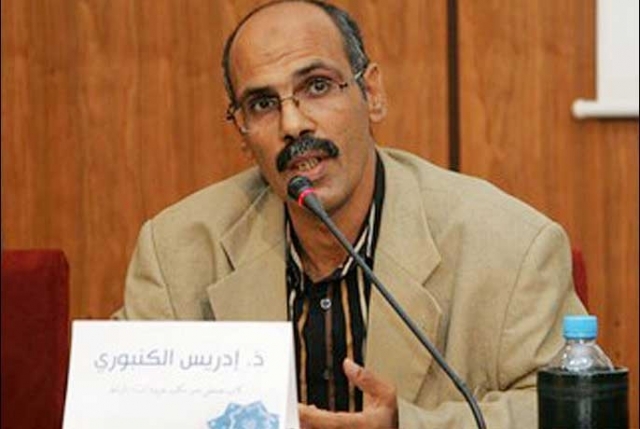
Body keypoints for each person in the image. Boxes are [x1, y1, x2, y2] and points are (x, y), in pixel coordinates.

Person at [114, 1, 587, 427]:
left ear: (371, 93)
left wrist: (407, 427)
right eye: (262, 104)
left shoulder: (510, 244)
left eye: (317, 86)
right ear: (242, 130)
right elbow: (120, 406)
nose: (293, 124)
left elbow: (573, 409)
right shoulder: (176, 251)